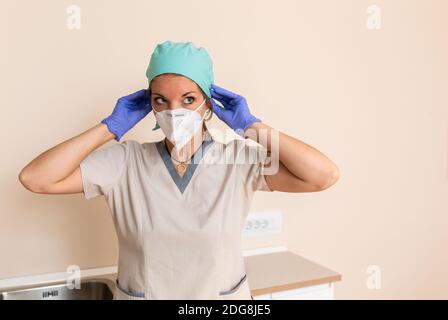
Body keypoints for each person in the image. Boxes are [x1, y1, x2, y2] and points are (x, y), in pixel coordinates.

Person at [18, 40, 340, 300]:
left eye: (188, 99)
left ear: (208, 104)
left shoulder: (238, 161)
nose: (175, 111)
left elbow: (323, 175)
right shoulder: (124, 163)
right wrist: (109, 128)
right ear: (150, 106)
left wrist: (251, 126)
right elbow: (36, 178)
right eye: (161, 100)